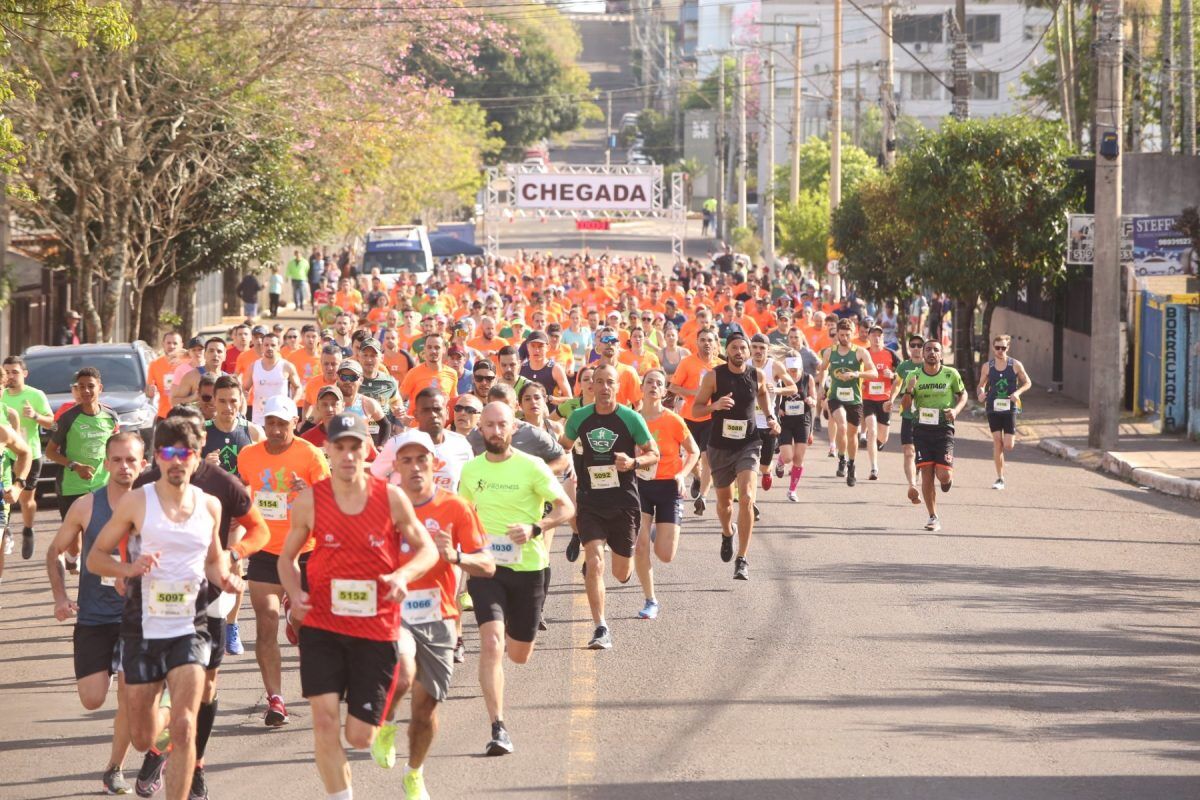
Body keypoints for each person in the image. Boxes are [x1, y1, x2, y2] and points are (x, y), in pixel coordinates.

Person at [278, 413, 437, 800]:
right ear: (328, 451)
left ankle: (380, 725)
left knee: (359, 737)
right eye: (340, 447)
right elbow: (287, 558)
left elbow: (427, 548)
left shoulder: (390, 497)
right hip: (322, 625)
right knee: (324, 722)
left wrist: (403, 576)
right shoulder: (311, 500)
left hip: (375, 628)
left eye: (355, 447)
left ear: (368, 450)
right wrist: (295, 592)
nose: (348, 455)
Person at [86, 417, 243, 800]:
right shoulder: (138, 502)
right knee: (142, 737)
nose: (176, 461)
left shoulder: (210, 506)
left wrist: (227, 576)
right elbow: (95, 558)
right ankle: (159, 718)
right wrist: (128, 568)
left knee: (187, 726)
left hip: (191, 626)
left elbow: (213, 563)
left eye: (184, 453)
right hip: (142, 627)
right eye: (169, 453)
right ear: (157, 457)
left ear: (196, 459)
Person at [133, 406, 271, 797]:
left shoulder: (221, 483)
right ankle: (159, 745)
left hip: (209, 596)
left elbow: (259, 529)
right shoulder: (147, 481)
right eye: (173, 444)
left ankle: (194, 762)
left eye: (191, 440)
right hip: (155, 601)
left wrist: (235, 553)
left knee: (206, 688)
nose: (182, 451)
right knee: (159, 688)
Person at [370, 430, 495, 798]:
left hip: (440, 615)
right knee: (404, 673)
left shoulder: (455, 507)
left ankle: (414, 773)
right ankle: (387, 723)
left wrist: (455, 556)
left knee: (426, 708)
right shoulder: (382, 506)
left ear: (435, 464)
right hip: (394, 612)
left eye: (420, 459)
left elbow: (487, 564)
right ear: (394, 467)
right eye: (405, 460)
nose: (414, 467)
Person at [459, 402, 573, 756]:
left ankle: (513, 632)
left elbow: (567, 508)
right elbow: (461, 514)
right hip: (486, 567)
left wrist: (536, 526)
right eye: (489, 425)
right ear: (480, 428)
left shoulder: (533, 466)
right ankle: (498, 726)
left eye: (501, 425)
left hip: (528, 568)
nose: (495, 431)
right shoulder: (471, 469)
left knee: (519, 654)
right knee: (491, 642)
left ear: (512, 429)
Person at [45, 433, 145, 795]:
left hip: (138, 619)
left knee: (130, 698)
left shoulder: (153, 506)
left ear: (143, 464)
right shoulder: (87, 506)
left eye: (131, 460)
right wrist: (60, 597)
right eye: (116, 460)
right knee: (92, 698)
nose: (124, 467)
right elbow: (54, 552)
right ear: (105, 464)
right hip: (94, 617)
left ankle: (114, 768)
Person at [237, 395, 331, 727]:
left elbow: (330, 504)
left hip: (305, 551)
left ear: (294, 423)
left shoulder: (310, 455)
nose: (275, 430)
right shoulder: (249, 456)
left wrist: (309, 490)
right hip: (264, 550)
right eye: (270, 423)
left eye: (282, 423)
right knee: (266, 619)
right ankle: (275, 699)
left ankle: (298, 620)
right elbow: (243, 494)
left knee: (307, 624)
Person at [560, 363, 658, 649]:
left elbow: (655, 453)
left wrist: (634, 462)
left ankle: (619, 565)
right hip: (590, 501)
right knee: (594, 562)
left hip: (623, 502)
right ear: (590, 387)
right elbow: (562, 445)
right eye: (598, 382)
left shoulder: (631, 418)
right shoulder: (579, 417)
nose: (603, 387)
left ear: (618, 386)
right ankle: (601, 627)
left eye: (609, 382)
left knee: (620, 572)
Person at [692, 333, 779, 580]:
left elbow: (762, 394)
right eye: (734, 348)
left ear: (749, 352)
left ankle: (742, 558)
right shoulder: (713, 377)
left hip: (748, 444)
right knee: (724, 504)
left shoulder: (756, 375)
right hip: (720, 446)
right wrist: (714, 406)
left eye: (743, 347)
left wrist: (770, 416)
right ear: (726, 350)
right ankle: (727, 533)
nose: (739, 351)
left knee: (748, 497)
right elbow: (695, 409)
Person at [632, 370, 698, 620]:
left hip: (669, 487)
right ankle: (650, 600)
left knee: (665, 555)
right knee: (640, 547)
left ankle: (655, 528)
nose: (654, 386)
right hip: (641, 486)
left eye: (659, 383)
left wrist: (682, 475)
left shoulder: (673, 420)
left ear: (664, 391)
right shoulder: (633, 419)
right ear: (642, 387)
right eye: (650, 382)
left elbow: (693, 451)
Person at [900, 340, 967, 531]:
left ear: (941, 355)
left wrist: (956, 411)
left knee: (943, 475)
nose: (931, 353)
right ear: (922, 353)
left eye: (935, 350)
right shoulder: (914, 375)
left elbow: (963, 395)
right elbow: (905, 405)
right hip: (921, 430)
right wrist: (909, 389)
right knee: (927, 473)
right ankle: (932, 516)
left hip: (944, 429)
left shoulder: (950, 374)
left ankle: (947, 480)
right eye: (927, 349)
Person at [45, 368, 120, 520]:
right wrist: (75, 466)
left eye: (91, 386)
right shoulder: (67, 418)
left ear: (100, 388)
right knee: (74, 540)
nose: (86, 390)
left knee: (99, 536)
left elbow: (116, 449)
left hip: (102, 486)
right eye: (81, 387)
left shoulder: (111, 416)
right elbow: (50, 452)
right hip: (71, 488)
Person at [2, 355, 53, 559]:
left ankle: (28, 529)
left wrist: (35, 417)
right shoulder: (1, 395)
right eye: (7, 372)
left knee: (26, 500)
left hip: (29, 454)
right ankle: (5, 528)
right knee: (5, 495)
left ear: (24, 374)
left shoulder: (36, 395)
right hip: (5, 454)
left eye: (15, 372)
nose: (10, 376)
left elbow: (53, 424)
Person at [817, 320, 877, 486]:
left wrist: (856, 374)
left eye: (847, 334)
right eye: (841, 334)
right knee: (841, 426)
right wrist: (822, 387)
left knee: (852, 434)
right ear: (837, 334)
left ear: (853, 333)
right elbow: (822, 368)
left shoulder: (860, 352)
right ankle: (841, 458)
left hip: (854, 400)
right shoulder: (830, 352)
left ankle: (850, 463)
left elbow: (874, 373)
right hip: (835, 396)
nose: (844, 338)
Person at [669, 327, 721, 515]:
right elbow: (673, 387)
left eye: (710, 340)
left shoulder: (720, 366)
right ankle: (698, 478)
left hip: (711, 418)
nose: (706, 343)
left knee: (707, 458)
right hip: (689, 417)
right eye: (703, 340)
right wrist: (694, 393)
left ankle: (703, 497)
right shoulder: (687, 363)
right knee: (689, 459)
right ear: (697, 342)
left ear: (716, 343)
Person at [977, 334, 1032, 490]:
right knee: (997, 441)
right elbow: (981, 385)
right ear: (993, 348)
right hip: (992, 407)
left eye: (1003, 348)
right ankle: (1000, 478)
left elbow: (1028, 382)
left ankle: (1001, 474)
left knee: (1008, 445)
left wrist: (1018, 393)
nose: (1000, 350)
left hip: (1009, 408)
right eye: (997, 347)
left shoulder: (1015, 365)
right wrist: (981, 393)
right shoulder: (987, 366)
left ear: (1008, 348)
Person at [749, 334, 796, 501]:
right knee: (748, 465)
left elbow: (793, 388)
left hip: (769, 422)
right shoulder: (744, 365)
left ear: (768, 350)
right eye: (754, 347)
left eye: (762, 348)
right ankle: (748, 498)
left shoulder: (775, 366)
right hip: (749, 421)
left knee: (763, 466)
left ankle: (767, 472)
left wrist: (777, 390)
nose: (758, 351)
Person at [775, 346, 818, 502]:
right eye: (790, 370)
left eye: (795, 370)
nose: (793, 373)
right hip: (786, 422)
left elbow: (814, 398)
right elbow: (774, 399)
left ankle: (792, 490)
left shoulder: (808, 378)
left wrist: (811, 400)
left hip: (803, 421)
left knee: (798, 457)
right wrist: (778, 409)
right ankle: (780, 463)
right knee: (788, 457)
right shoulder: (781, 379)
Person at [890, 334, 926, 503]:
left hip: (928, 418)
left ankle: (921, 473)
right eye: (913, 345)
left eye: (920, 345)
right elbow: (897, 384)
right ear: (909, 347)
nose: (916, 348)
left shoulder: (931, 366)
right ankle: (912, 485)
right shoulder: (904, 366)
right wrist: (890, 400)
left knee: (923, 454)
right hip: (908, 415)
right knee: (908, 451)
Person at [861, 324, 900, 481]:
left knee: (882, 437)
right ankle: (874, 468)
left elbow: (902, 374)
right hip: (868, 398)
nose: (876, 338)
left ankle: (878, 444)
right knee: (872, 430)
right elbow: (857, 371)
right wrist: (861, 380)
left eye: (879, 336)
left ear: (883, 338)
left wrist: (892, 375)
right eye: (873, 335)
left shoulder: (891, 354)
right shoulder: (864, 354)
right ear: (869, 337)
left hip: (884, 399)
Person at [204, 375, 264, 474]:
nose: (228, 407)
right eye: (222, 401)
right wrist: (203, 466)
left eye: (233, 401)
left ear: (241, 401)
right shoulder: (200, 431)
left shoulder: (254, 432)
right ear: (214, 400)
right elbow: (185, 470)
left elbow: (270, 466)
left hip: (244, 489)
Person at [244, 332, 302, 427]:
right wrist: (244, 397)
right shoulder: (254, 366)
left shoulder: (287, 366)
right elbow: (245, 388)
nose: (269, 348)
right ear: (262, 347)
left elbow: (298, 388)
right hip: (259, 418)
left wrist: (292, 402)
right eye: (266, 345)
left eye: (273, 345)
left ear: (279, 347)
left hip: (281, 417)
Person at [172, 338, 228, 407]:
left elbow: (241, 401)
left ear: (225, 356)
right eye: (211, 351)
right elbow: (174, 402)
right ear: (204, 354)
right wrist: (192, 398)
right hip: (198, 417)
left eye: (219, 351)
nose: (215, 354)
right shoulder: (192, 376)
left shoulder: (227, 379)